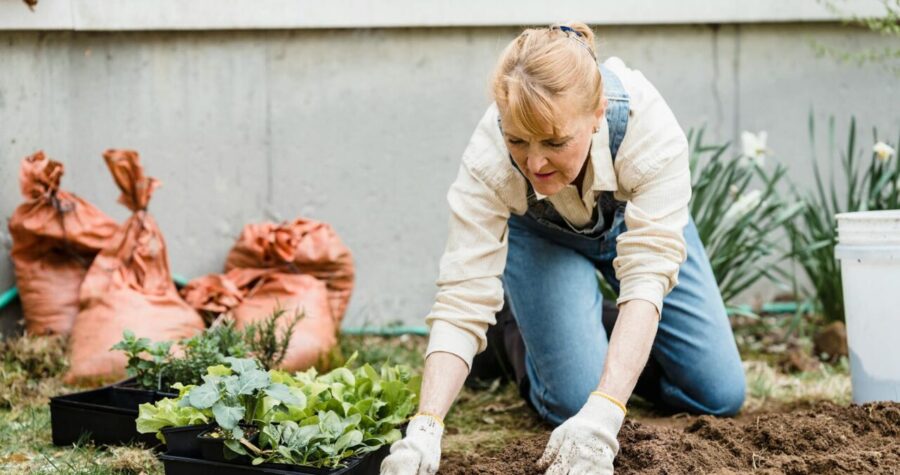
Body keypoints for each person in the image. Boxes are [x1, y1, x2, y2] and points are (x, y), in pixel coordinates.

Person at [381, 22, 745, 475]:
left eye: (554, 142)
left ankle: (581, 327)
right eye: (517, 140)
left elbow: (647, 276)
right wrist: (426, 426)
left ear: (597, 114)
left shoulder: (647, 130)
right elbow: (462, 297)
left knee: (719, 394)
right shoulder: (487, 159)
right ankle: (513, 334)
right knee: (573, 402)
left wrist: (608, 409)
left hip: (634, 229)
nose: (534, 163)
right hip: (541, 240)